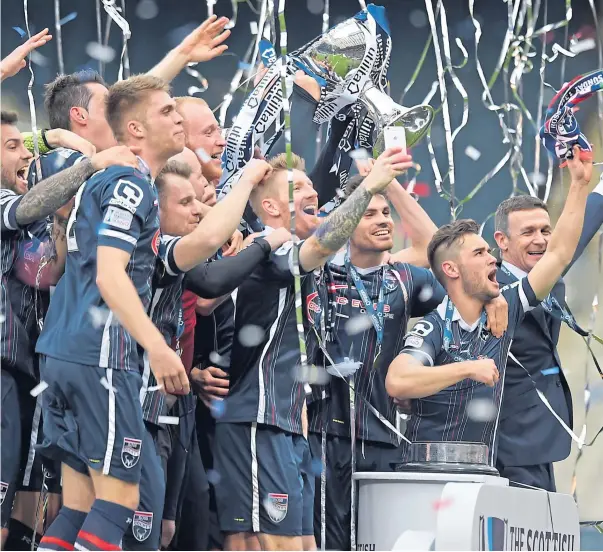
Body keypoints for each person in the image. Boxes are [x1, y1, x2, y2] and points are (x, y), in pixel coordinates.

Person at [213, 147, 413, 551]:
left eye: (311, 186)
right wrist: (370, 186)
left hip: (289, 423)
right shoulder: (268, 248)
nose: (312, 192)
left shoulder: (311, 263)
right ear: (270, 206)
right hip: (258, 417)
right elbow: (322, 245)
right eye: (297, 187)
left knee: (304, 545)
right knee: (262, 543)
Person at [385, 148, 593, 466]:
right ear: (454, 270)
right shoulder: (434, 325)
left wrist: (578, 185)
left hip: (487, 467)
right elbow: (398, 380)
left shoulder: (508, 304)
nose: (493, 258)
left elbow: (560, 253)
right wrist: (468, 368)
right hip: (431, 473)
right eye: (480, 254)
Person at [0, 110, 140, 549]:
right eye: (13, 146)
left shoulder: (34, 221)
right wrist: (88, 165)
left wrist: (63, 216)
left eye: (27, 146)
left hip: (28, 375)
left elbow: (49, 271)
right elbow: (25, 206)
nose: (26, 153)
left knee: (32, 511)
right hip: (14, 372)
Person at [492, 168, 603, 491]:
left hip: (539, 438)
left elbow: (583, 227)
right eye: (528, 232)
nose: (540, 240)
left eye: (545, 230)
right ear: (502, 240)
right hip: (502, 441)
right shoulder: (490, 288)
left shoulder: (546, 269)